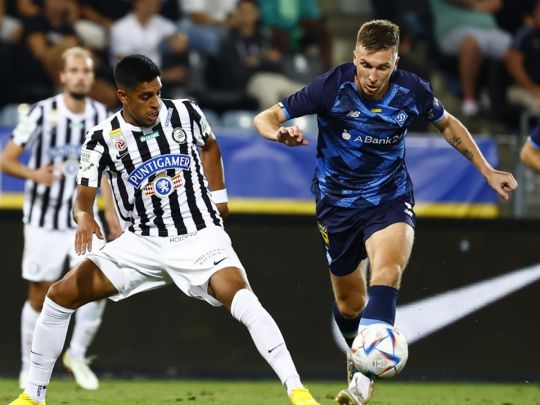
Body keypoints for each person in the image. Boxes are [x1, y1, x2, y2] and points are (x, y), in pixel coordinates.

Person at [8, 53, 319, 405]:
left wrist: (219, 196)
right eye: (145, 96)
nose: (155, 103)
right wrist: (84, 216)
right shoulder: (100, 139)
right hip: (141, 242)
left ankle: (297, 390)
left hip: (198, 234)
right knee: (58, 296)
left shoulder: (186, 112)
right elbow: (83, 198)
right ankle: (33, 396)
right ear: (123, 96)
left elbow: (210, 145)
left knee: (243, 298)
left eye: (158, 92)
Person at [253, 19, 518, 405]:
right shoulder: (331, 87)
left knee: (388, 271)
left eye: (382, 67)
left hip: (389, 199)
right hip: (337, 206)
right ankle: (357, 356)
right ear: (354, 57)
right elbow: (265, 118)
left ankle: (363, 380)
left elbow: (447, 125)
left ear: (395, 63)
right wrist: (279, 133)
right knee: (349, 305)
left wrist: (487, 170)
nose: (373, 76)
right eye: (365, 65)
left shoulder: (412, 90)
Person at [0, 46, 122, 391]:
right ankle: (29, 366)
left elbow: (106, 171)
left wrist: (111, 212)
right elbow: (6, 160)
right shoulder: (41, 113)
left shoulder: (101, 115)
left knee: (100, 284)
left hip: (84, 219)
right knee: (40, 295)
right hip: (44, 220)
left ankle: (77, 355)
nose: (81, 77)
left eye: (86, 71)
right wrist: (34, 174)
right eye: (75, 71)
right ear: (63, 76)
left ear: (91, 76)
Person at [429, 0, 512, 117]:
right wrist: (479, 5)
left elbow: (496, 4)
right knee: (471, 43)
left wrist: (470, 5)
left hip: (490, 31)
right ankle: (469, 99)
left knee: (516, 49)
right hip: (453, 31)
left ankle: (530, 95)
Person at [506, 0, 540, 114]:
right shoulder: (526, 34)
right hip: (523, 88)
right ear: (534, 14)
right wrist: (532, 88)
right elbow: (513, 64)